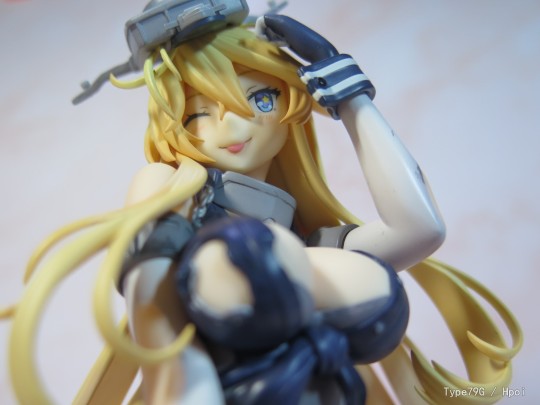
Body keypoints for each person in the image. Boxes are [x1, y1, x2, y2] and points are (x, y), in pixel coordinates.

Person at [2, 4, 521, 405]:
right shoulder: (168, 188)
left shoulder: (306, 243)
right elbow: (151, 310)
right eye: (197, 114)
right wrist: (185, 389)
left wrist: (349, 92)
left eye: (259, 99)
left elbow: (420, 230)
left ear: (292, 105)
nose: (230, 126)